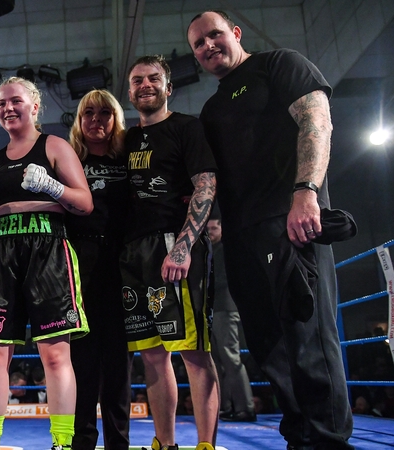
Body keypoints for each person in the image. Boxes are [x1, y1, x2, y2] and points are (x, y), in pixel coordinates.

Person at [188, 10, 354, 449]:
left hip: (293, 223)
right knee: (269, 346)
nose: (208, 46)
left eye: (215, 35)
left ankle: (328, 441)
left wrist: (306, 190)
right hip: (242, 240)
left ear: (236, 33)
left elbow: (317, 119)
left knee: (309, 339)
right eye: (198, 44)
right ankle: (300, 436)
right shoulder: (212, 108)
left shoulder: (280, 64)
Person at [0, 76, 93, 450]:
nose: (7, 108)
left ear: (34, 106)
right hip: (1, 255)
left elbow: (85, 203)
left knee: (54, 353)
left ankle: (63, 443)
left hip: (48, 248)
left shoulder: (54, 147)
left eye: (15, 101)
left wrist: (53, 188)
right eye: (1, 103)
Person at [119, 55, 218, 450]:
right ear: (129, 91)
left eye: (153, 78)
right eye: (137, 80)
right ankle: (165, 443)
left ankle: (206, 445)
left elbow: (205, 185)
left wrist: (183, 246)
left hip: (173, 246)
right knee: (153, 356)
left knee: (193, 351)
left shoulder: (186, 127)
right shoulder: (125, 141)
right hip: (133, 252)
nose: (145, 85)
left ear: (168, 87)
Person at [66, 89, 132, 450]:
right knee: (83, 363)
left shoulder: (128, 159)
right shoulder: (68, 160)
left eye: (104, 113)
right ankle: (82, 444)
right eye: (88, 113)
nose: (95, 120)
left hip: (122, 266)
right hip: (79, 266)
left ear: (115, 119)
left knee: (119, 366)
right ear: (79, 120)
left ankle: (118, 444)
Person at [206, 214, 256, 423]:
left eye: (213, 229)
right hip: (214, 307)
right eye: (207, 229)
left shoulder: (227, 250)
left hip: (225, 306)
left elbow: (224, 280)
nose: (209, 233)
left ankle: (246, 407)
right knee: (217, 359)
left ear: (222, 228)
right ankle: (225, 406)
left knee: (230, 357)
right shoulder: (211, 250)